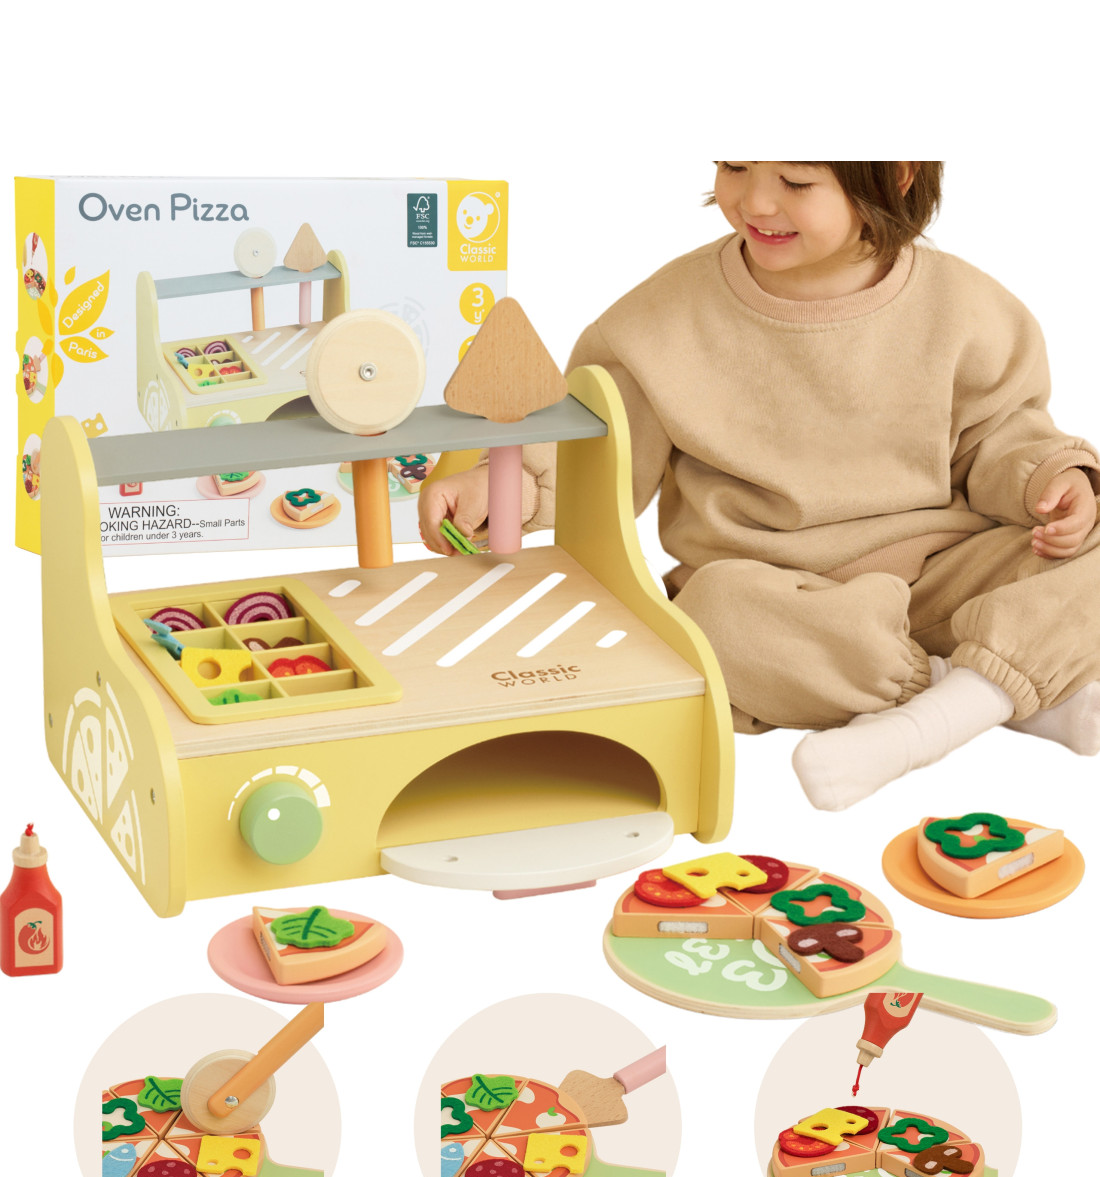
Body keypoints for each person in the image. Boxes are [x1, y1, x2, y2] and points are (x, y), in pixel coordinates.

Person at [419, 162, 1100, 809]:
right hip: (774, 597)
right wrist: (507, 487)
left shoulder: (968, 307)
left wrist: (1053, 478)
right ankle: (967, 701)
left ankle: (967, 702)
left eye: (797, 181)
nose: (756, 202)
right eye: (735, 167)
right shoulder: (661, 318)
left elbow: (1000, 431)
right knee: (710, 619)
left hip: (943, 572)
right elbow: (600, 449)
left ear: (896, 177)